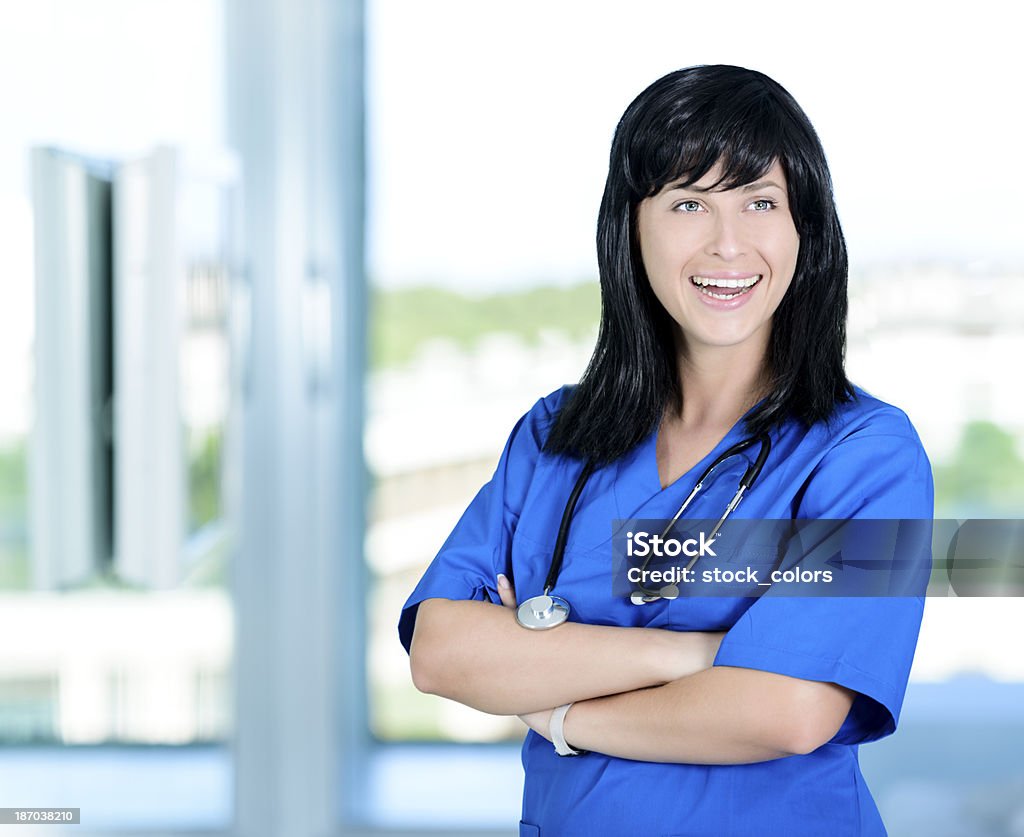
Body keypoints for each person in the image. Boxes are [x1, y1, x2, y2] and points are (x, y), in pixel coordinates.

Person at [397, 64, 933, 836]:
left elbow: (790, 706)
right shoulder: (554, 437)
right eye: (689, 202)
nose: (727, 242)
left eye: (760, 201)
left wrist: (558, 708)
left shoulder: (866, 456)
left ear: (803, 229)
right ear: (632, 226)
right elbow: (443, 653)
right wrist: (701, 655)